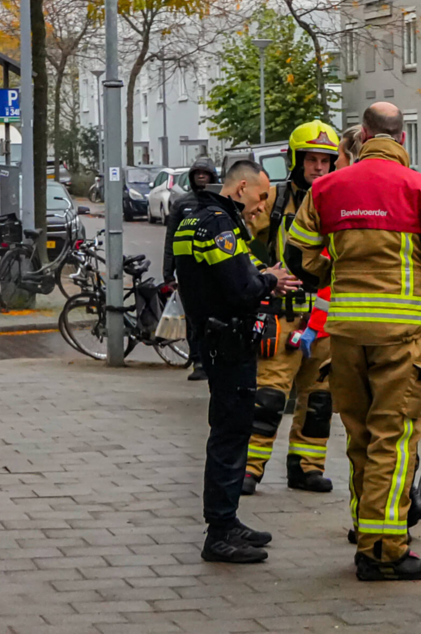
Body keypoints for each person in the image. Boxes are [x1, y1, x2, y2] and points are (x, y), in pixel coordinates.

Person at [287, 101, 421, 581]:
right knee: (395, 439)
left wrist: (333, 274)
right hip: (401, 337)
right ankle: (385, 552)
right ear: (402, 139)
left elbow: (295, 253)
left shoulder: (328, 188)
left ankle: (365, 532)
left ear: (363, 136)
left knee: (360, 438)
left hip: (345, 334)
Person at [173, 160, 298, 563]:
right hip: (229, 339)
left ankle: (228, 521)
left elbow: (214, 274)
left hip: (210, 335)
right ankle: (220, 531)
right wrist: (270, 280)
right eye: (260, 196)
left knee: (229, 431)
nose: (260, 205)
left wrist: (259, 272)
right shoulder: (220, 223)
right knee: (230, 435)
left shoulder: (191, 217)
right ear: (241, 187)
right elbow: (241, 287)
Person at [242, 121, 340, 496]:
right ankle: (249, 469)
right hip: (282, 317)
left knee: (319, 400)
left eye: (325, 160)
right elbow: (241, 244)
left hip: (326, 318)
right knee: (267, 398)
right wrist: (262, 272)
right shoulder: (275, 202)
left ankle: (306, 468)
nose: (318, 167)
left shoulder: (339, 201)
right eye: (311, 159)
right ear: (295, 160)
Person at [163, 157, 218, 381]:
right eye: (198, 174)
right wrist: (168, 272)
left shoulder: (221, 201)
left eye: (206, 173)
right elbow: (171, 239)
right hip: (189, 273)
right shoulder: (182, 204)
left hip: (215, 271)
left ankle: (215, 359)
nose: (201, 177)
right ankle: (198, 361)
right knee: (194, 320)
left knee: (215, 318)